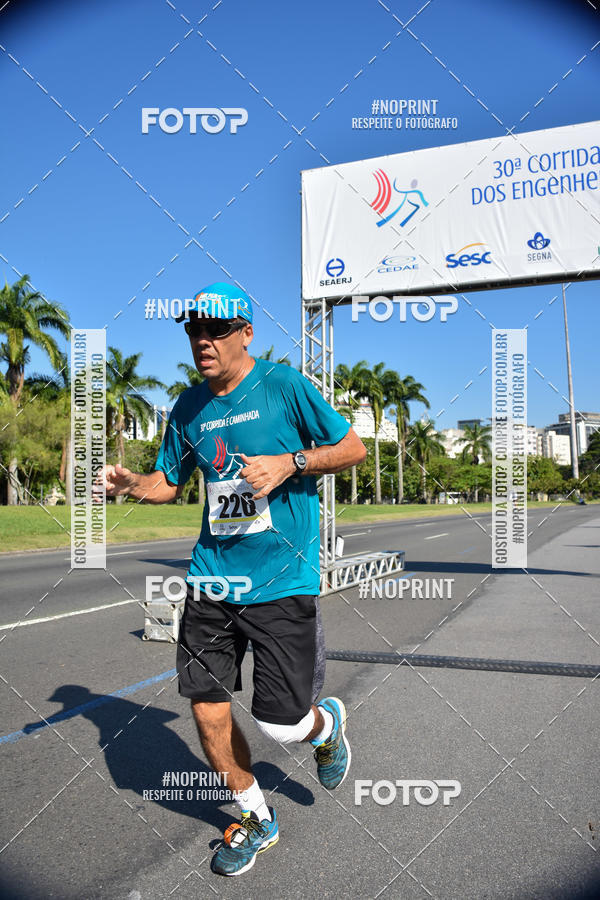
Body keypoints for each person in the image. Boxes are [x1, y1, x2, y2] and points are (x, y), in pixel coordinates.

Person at [101, 281, 366, 876]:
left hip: (280, 581)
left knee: (279, 723)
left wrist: (291, 462)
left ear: (246, 333)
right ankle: (255, 816)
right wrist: (132, 486)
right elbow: (168, 483)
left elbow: (353, 448)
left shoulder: (284, 387)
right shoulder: (189, 407)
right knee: (206, 706)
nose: (204, 339)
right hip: (212, 580)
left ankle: (324, 727)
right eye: (195, 329)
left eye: (217, 329)